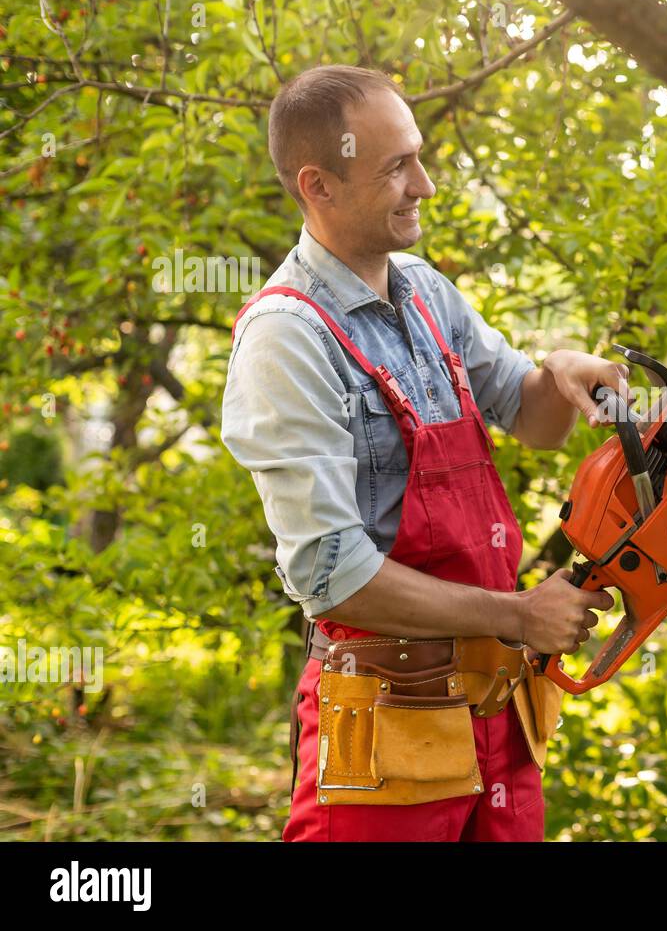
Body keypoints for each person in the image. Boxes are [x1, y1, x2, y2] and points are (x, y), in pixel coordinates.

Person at [221, 65, 623, 841]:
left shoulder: (425, 292)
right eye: (396, 168)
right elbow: (332, 576)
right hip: (384, 727)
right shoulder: (286, 338)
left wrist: (561, 371)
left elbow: (532, 416)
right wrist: (517, 614)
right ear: (320, 186)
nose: (426, 186)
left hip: (493, 713)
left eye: (418, 156)